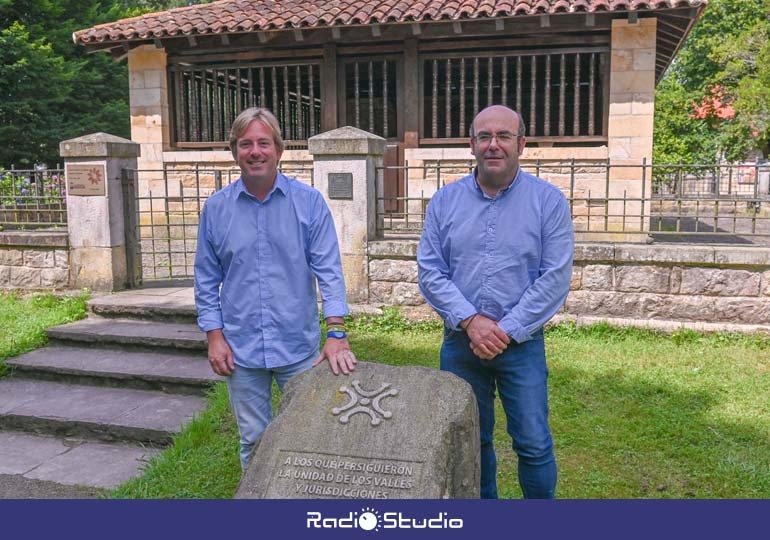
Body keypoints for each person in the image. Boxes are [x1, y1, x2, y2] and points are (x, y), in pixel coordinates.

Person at [417, 105, 573, 499]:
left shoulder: (548, 202)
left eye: (504, 136)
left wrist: (503, 330)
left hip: (521, 345)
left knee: (533, 444)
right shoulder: (444, 202)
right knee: (472, 443)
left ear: (521, 144)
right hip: (460, 345)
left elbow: (554, 278)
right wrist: (471, 322)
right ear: (471, 145)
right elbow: (431, 271)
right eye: (484, 137)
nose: (493, 145)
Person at [194, 107, 356, 470]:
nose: (255, 152)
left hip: (298, 347)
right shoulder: (217, 209)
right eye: (246, 144)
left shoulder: (309, 202)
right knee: (253, 440)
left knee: (308, 434)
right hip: (241, 349)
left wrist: (337, 333)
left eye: (263, 143)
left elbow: (329, 270)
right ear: (235, 151)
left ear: (279, 149)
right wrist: (214, 336)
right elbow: (206, 279)